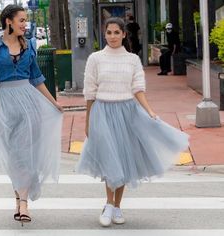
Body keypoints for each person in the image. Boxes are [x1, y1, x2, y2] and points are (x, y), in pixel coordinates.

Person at [77, 17, 189, 227]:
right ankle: (109, 205)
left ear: (124, 34)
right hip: (102, 112)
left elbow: (138, 88)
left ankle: (116, 206)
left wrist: (150, 111)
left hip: (128, 113)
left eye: (116, 33)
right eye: (109, 32)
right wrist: (88, 120)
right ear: (104, 34)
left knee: (122, 161)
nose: (112, 36)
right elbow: (89, 92)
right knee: (109, 160)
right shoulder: (95, 58)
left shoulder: (132, 60)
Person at [0, 5, 63, 226]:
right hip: (4, 106)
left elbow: (36, 78)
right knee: (13, 157)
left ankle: (23, 204)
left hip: (29, 104)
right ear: (8, 21)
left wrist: (53, 103)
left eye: (26, 20)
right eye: (21, 20)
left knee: (25, 154)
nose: (25, 24)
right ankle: (19, 198)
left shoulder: (29, 45)